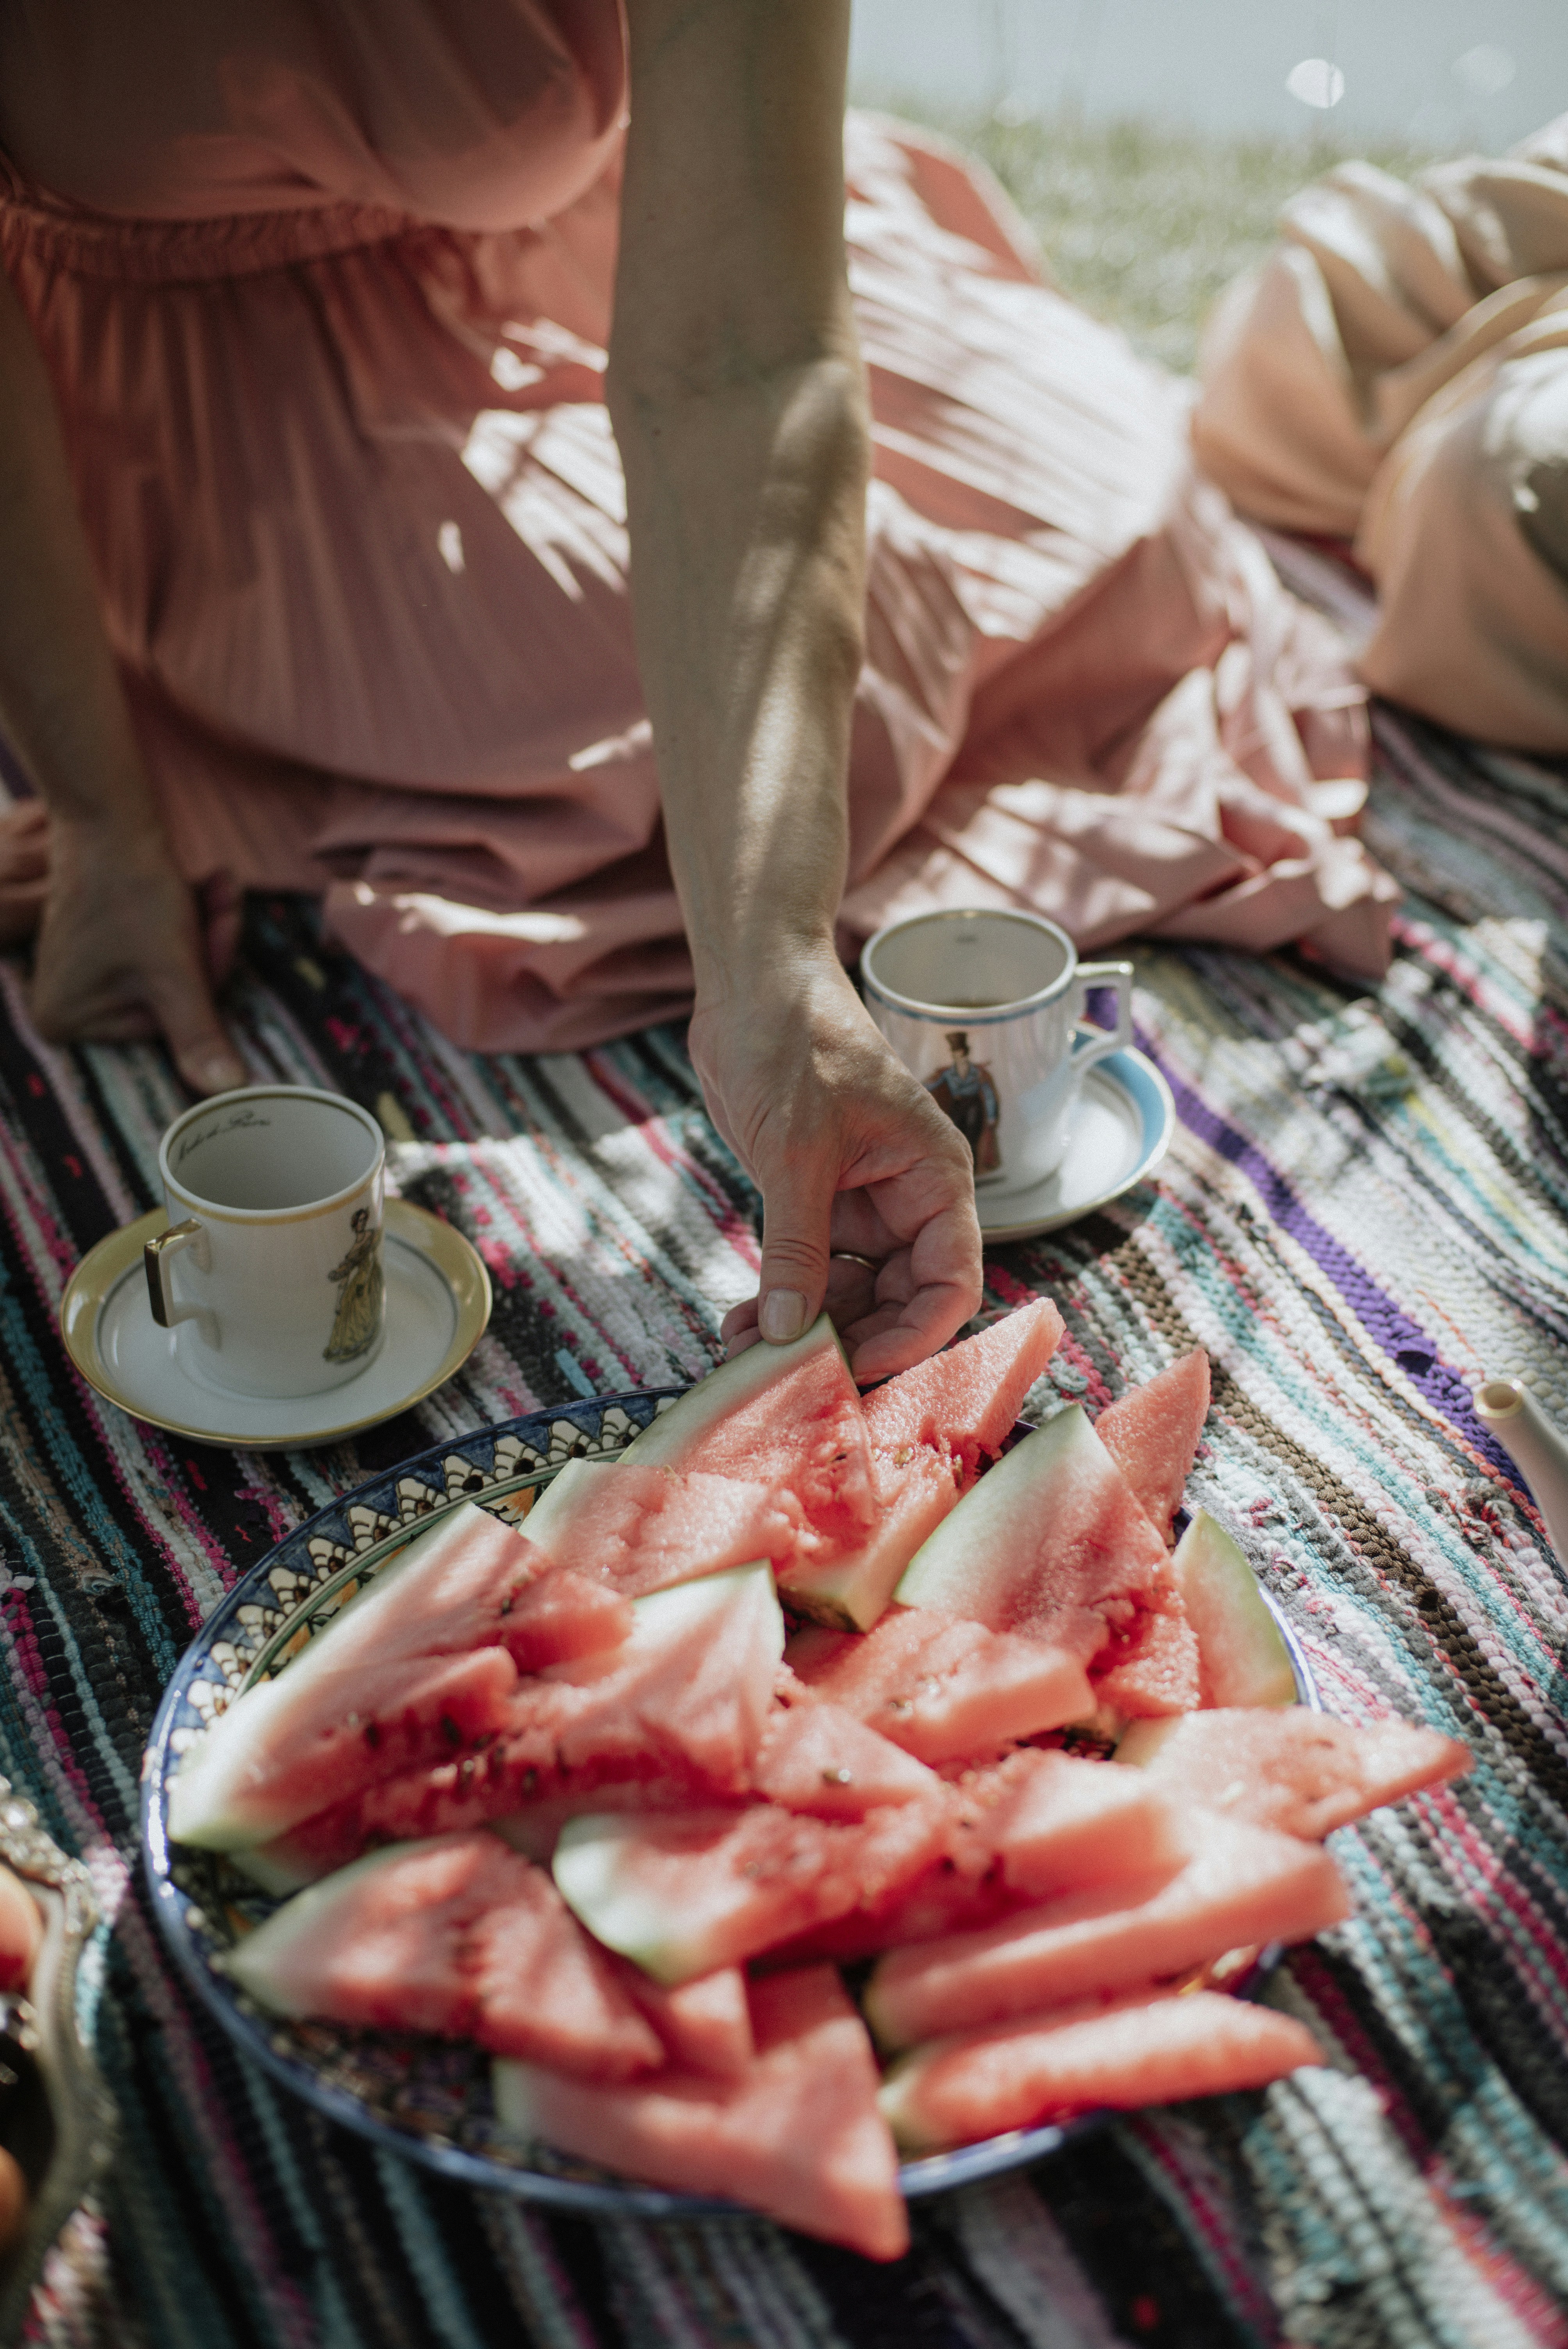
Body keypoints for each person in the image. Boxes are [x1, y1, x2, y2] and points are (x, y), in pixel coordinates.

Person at [0, 2, 1393, 1381]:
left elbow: (747, 357)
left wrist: (770, 971)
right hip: (196, 424)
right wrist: (103, 817)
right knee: (726, 728)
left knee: (1124, 518)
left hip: (640, 272)